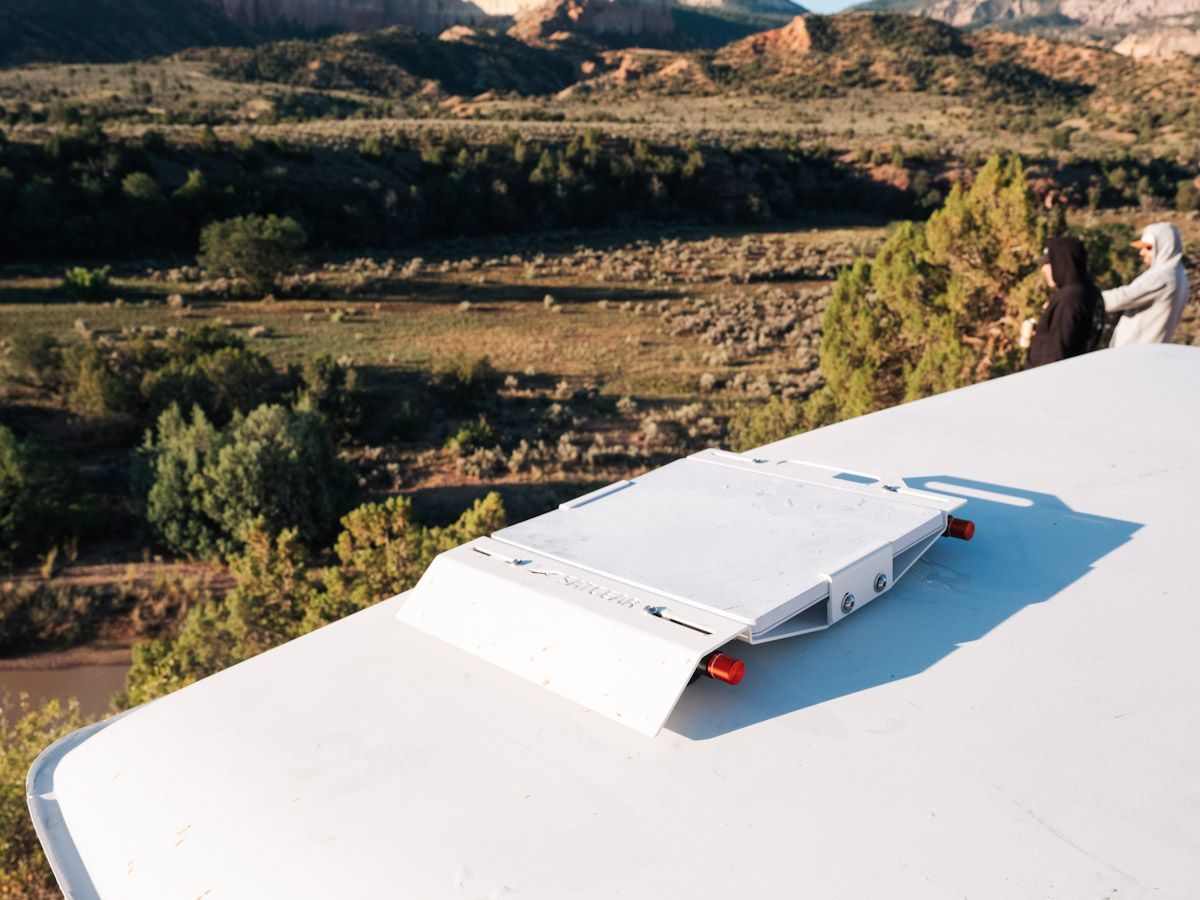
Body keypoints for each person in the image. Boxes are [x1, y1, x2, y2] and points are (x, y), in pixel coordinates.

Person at [1102, 222, 1189, 347]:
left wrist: (1084, 298)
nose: (1142, 253)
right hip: (1147, 351)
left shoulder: (1163, 277)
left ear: (1165, 247)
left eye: (1148, 248)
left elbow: (1121, 298)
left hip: (1135, 352)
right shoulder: (1179, 276)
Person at [1025, 236, 1102, 368]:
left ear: (1062, 261)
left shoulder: (1070, 299)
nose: (1044, 269)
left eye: (1049, 263)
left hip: (1046, 381)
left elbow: (1057, 353)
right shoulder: (1088, 292)